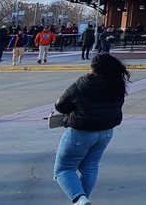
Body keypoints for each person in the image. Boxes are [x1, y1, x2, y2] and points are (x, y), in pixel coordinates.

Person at [53, 54, 129, 205]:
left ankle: (79, 199)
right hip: (106, 132)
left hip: (81, 132)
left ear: (94, 68)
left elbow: (61, 105)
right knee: (89, 167)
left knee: (63, 169)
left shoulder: (84, 83)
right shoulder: (117, 84)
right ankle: (83, 199)